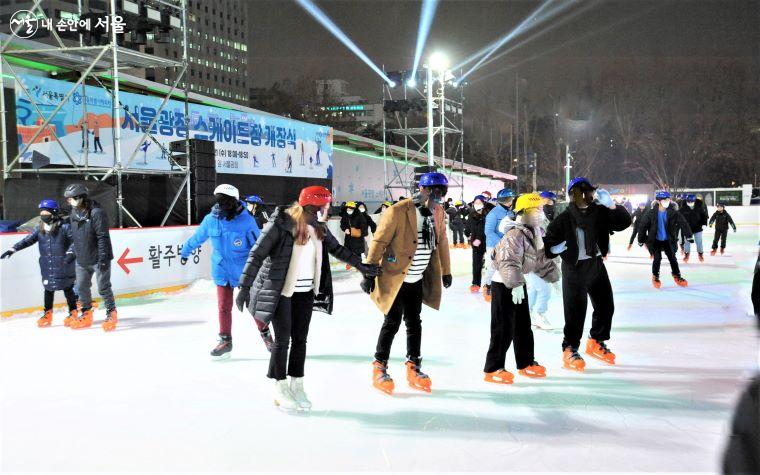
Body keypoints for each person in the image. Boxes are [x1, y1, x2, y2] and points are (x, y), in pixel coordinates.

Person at [235, 186, 381, 411]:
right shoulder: (281, 224)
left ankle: (297, 383)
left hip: (304, 293)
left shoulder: (318, 228)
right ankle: (280, 386)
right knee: (282, 341)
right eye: (325, 205)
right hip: (281, 292)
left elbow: (338, 250)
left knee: (300, 340)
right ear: (313, 205)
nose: (328, 209)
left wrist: (362, 266)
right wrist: (244, 287)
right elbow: (257, 254)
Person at [362, 172, 452, 395]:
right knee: (392, 322)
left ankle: (414, 365)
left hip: (417, 278)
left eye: (442, 192)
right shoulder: (399, 210)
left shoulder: (438, 213)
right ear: (423, 190)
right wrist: (369, 272)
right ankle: (379, 365)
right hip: (395, 276)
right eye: (434, 191)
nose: (438, 197)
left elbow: (441, 242)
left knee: (414, 322)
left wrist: (446, 271)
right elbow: (380, 241)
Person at [544, 177, 631, 372]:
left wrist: (612, 206)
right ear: (572, 195)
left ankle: (596, 341)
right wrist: (554, 249)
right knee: (576, 311)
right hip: (574, 268)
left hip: (596, 264)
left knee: (606, 305)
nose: (584, 196)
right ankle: (570, 348)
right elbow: (548, 245)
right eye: (579, 192)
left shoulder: (599, 212)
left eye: (587, 192)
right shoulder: (564, 218)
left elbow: (624, 223)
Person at [181, 184, 266, 357]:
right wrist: (185, 251)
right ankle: (225, 340)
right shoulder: (211, 219)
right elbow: (198, 237)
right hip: (221, 270)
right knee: (223, 307)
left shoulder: (247, 221)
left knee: (253, 306)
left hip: (244, 272)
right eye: (220, 202)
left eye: (226, 203)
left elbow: (259, 247)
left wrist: (265, 265)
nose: (223, 206)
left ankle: (267, 337)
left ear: (235, 202)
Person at [485, 193, 560, 384]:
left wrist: (553, 277)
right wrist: (516, 285)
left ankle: (525, 362)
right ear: (525, 212)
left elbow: (539, 258)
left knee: (522, 326)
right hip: (504, 284)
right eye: (537, 210)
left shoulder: (533, 232)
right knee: (503, 328)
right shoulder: (515, 234)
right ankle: (493, 368)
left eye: (541, 209)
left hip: (518, 283)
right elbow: (508, 260)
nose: (541, 213)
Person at [0, 199, 78, 327]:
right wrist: (13, 249)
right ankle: (47, 313)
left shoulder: (64, 227)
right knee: (48, 290)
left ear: (54, 212)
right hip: (47, 265)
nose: (43, 214)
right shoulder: (40, 228)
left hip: (64, 263)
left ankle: (73, 312)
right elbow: (27, 240)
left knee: (68, 288)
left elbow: (77, 241)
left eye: (46, 212)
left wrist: (71, 252)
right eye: (41, 212)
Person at [64, 184, 118, 331]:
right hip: (82, 259)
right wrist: (72, 252)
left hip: (99, 258)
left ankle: (111, 312)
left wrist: (103, 259)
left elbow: (103, 237)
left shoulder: (96, 213)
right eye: (68, 200)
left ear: (81, 197)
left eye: (72, 199)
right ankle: (86, 313)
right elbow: (76, 237)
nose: (70, 202)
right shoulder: (73, 214)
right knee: (81, 288)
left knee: (103, 287)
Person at [637, 190, 691, 288]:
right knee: (657, 258)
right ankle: (655, 276)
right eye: (665, 199)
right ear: (658, 201)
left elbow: (683, 222)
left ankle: (677, 275)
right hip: (655, 240)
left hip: (668, 240)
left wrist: (689, 235)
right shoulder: (651, 213)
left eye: (668, 199)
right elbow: (642, 226)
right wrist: (641, 239)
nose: (668, 201)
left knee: (672, 258)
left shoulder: (673, 212)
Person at [482, 188, 517, 302]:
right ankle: (487, 286)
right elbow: (489, 231)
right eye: (508, 199)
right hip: (494, 246)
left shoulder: (511, 212)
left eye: (511, 199)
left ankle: (504, 287)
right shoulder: (493, 214)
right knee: (492, 267)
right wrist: (501, 243)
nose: (510, 201)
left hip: (508, 245)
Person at [465, 195, 488, 293]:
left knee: (490, 265)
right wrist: (467, 234)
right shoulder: (471, 215)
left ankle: (489, 284)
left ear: (483, 203)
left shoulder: (487, 215)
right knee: (476, 264)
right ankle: (476, 283)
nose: (477, 205)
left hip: (487, 242)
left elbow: (486, 229)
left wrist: (479, 238)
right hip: (476, 244)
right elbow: (468, 228)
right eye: (475, 203)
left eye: (479, 203)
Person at [678, 194, 708, 262]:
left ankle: (700, 254)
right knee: (687, 242)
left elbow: (704, 216)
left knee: (699, 242)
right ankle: (687, 254)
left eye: (691, 202)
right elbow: (678, 215)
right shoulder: (683, 208)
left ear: (694, 201)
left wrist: (704, 223)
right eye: (688, 202)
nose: (690, 203)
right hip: (687, 229)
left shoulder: (699, 207)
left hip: (698, 228)